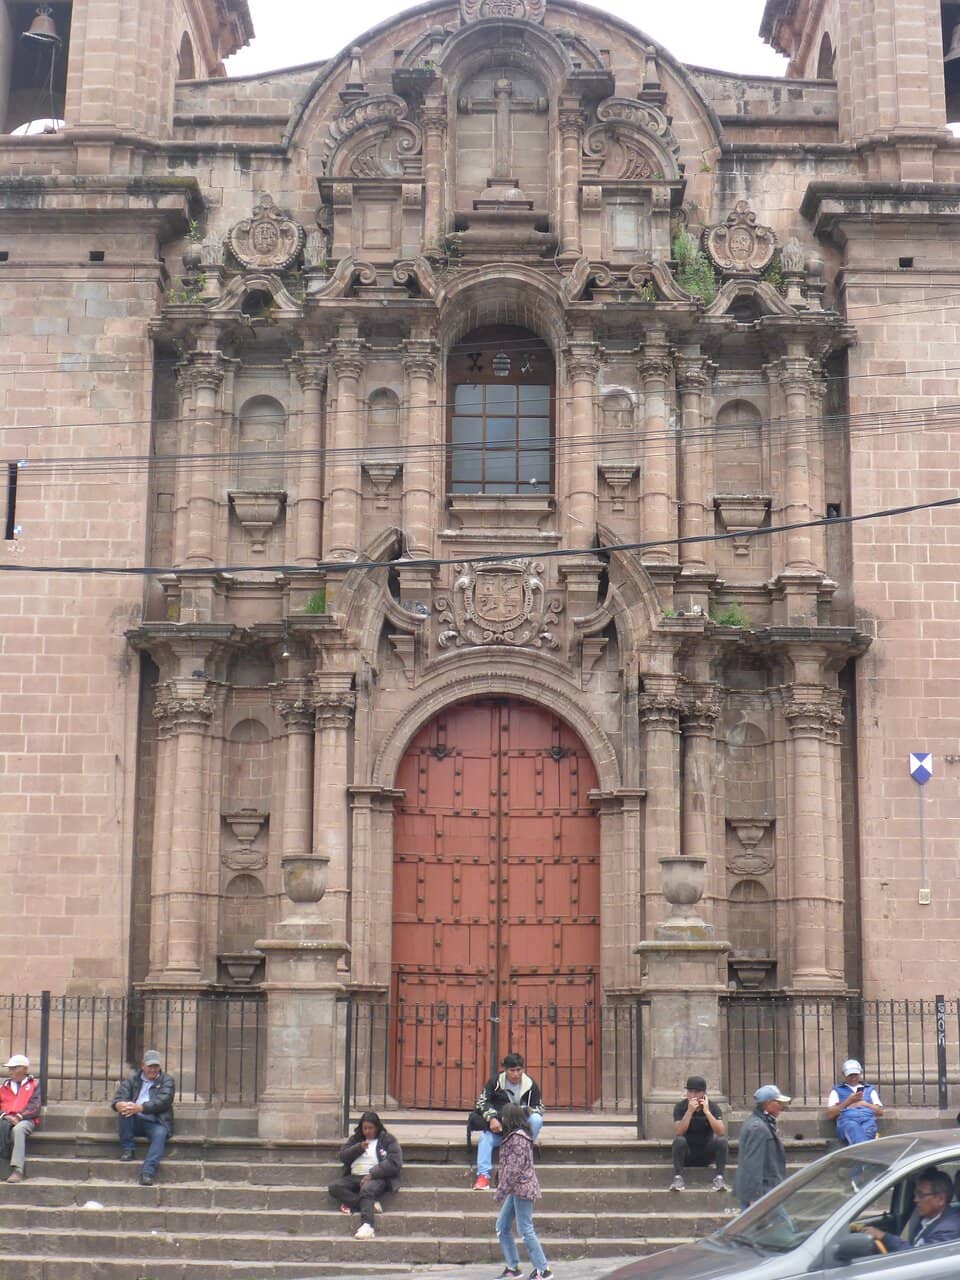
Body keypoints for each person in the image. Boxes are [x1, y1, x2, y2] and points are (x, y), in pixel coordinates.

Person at [493, 1103, 553, 1280]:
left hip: (523, 1189)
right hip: (516, 1189)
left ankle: (543, 1270)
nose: (502, 1120)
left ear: (509, 1118)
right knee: (502, 1226)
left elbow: (514, 1169)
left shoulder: (518, 1138)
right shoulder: (513, 1136)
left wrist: (500, 1191)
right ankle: (514, 1267)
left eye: (503, 1117)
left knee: (525, 1229)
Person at [473, 1052, 544, 1191]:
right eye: (512, 1070)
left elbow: (539, 1107)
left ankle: (525, 1150)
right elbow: (482, 1102)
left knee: (536, 1119)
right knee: (484, 1139)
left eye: (519, 1070)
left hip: (520, 1131)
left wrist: (523, 1111)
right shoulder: (495, 1082)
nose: (516, 1074)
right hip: (498, 1128)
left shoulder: (530, 1084)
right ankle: (483, 1176)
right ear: (505, 1070)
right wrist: (492, 1118)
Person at [328, 1110, 403, 1241]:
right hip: (355, 1176)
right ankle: (369, 1205)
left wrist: (372, 1174)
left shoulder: (387, 1140)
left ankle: (367, 1226)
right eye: (365, 1128)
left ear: (377, 1127)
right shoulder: (356, 1139)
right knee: (334, 1187)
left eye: (370, 1128)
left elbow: (394, 1162)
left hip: (377, 1177)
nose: (367, 1131)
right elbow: (343, 1156)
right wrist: (358, 1148)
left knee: (367, 1189)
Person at [111, 1049, 175, 1186]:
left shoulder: (167, 1081)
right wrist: (119, 1104)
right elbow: (119, 1097)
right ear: (143, 1066)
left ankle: (147, 1172)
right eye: (150, 1066)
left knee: (161, 1134)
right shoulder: (132, 1079)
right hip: (135, 1120)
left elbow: (163, 1101)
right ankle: (128, 1149)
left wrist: (141, 1108)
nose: (153, 1069)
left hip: (156, 1121)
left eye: (155, 1066)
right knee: (125, 1110)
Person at [865, 1167, 960, 1251]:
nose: (915, 1200)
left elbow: (918, 1256)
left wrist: (884, 1237)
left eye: (921, 1195)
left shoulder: (948, 1230)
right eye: (915, 1194)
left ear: (940, 1199)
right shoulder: (929, 1218)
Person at [733, 1083, 790, 1210]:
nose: (781, 1106)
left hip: (763, 1190)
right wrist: (754, 1198)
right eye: (778, 1102)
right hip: (762, 1191)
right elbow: (753, 1163)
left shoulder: (760, 1124)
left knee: (749, 1222)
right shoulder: (758, 1128)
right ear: (768, 1104)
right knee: (780, 1224)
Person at [670, 1073, 729, 1192]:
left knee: (722, 1141)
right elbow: (679, 1131)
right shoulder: (680, 1107)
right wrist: (689, 1112)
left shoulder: (713, 1107)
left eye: (696, 1092)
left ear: (704, 1093)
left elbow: (721, 1132)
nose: (692, 1095)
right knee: (679, 1141)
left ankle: (719, 1178)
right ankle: (678, 1179)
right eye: (690, 1091)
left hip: (706, 1153)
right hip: (687, 1153)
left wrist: (707, 1112)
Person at [0, 1053, 41, 1184]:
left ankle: (17, 1170)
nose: (10, 1071)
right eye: (9, 1068)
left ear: (24, 1069)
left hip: (25, 1120)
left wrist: (19, 1117)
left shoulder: (34, 1084)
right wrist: (5, 1116)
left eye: (14, 1068)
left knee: (18, 1130)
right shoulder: (3, 1086)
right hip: (5, 1118)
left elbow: (35, 1107)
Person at [827, 1058, 883, 1145]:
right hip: (847, 1122)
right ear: (844, 1075)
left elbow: (880, 1112)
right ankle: (864, 1148)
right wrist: (848, 1101)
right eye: (850, 1075)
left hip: (867, 1121)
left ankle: (862, 1149)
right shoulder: (837, 1091)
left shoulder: (869, 1089)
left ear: (860, 1073)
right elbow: (830, 1115)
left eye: (856, 1074)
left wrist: (864, 1104)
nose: (853, 1078)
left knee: (867, 1130)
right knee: (853, 1128)